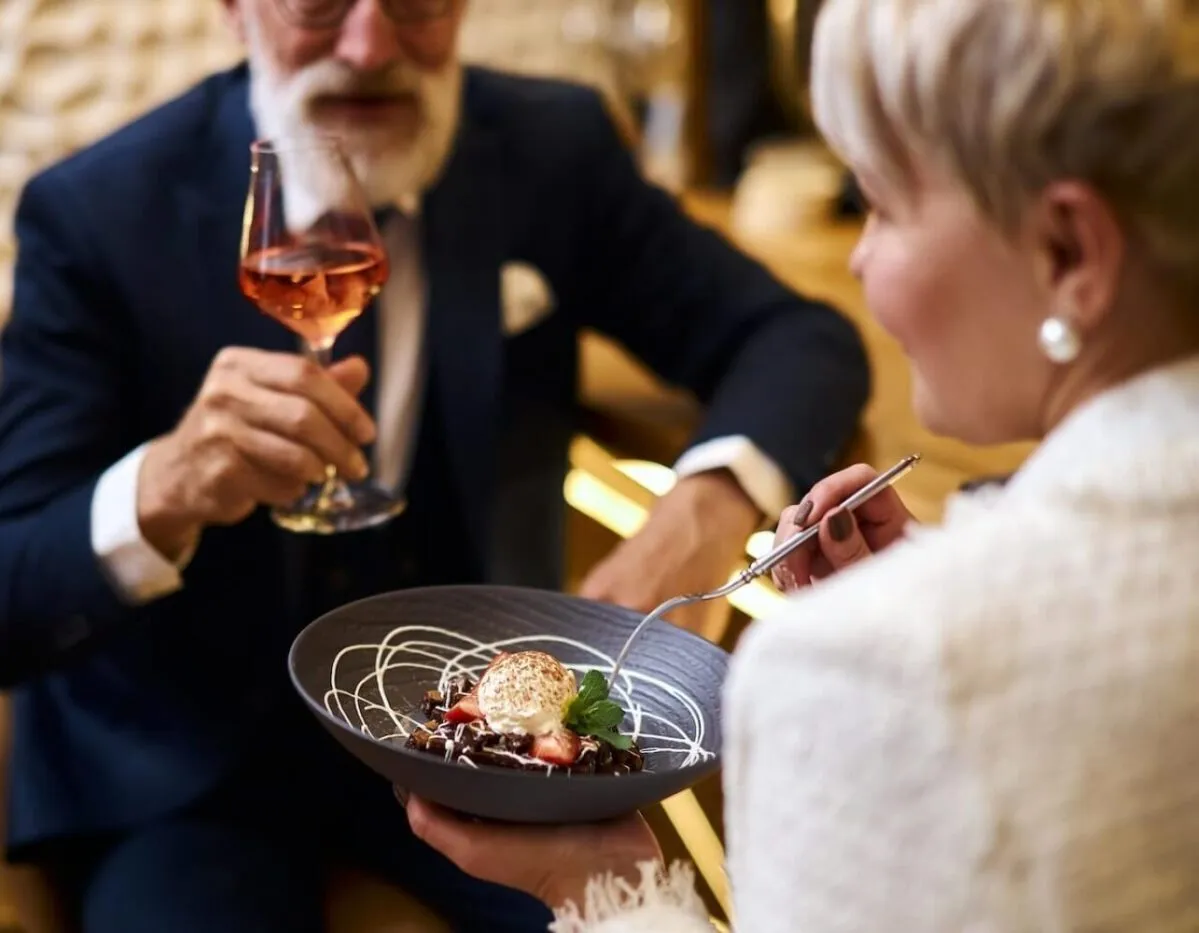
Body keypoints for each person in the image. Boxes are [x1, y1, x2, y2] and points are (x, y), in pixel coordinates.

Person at [0, 0, 870, 930]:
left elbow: (799, 336)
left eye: (414, 4)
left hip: (478, 738)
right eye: (320, 6)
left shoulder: (552, 149)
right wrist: (162, 486)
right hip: (192, 771)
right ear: (236, 10)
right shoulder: (97, 209)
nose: (370, 47)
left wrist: (700, 510)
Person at [401, 0, 1199, 929]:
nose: (855, 258)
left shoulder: (855, 664)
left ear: (1069, 251)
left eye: (884, 206)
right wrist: (926, 577)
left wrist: (594, 883)